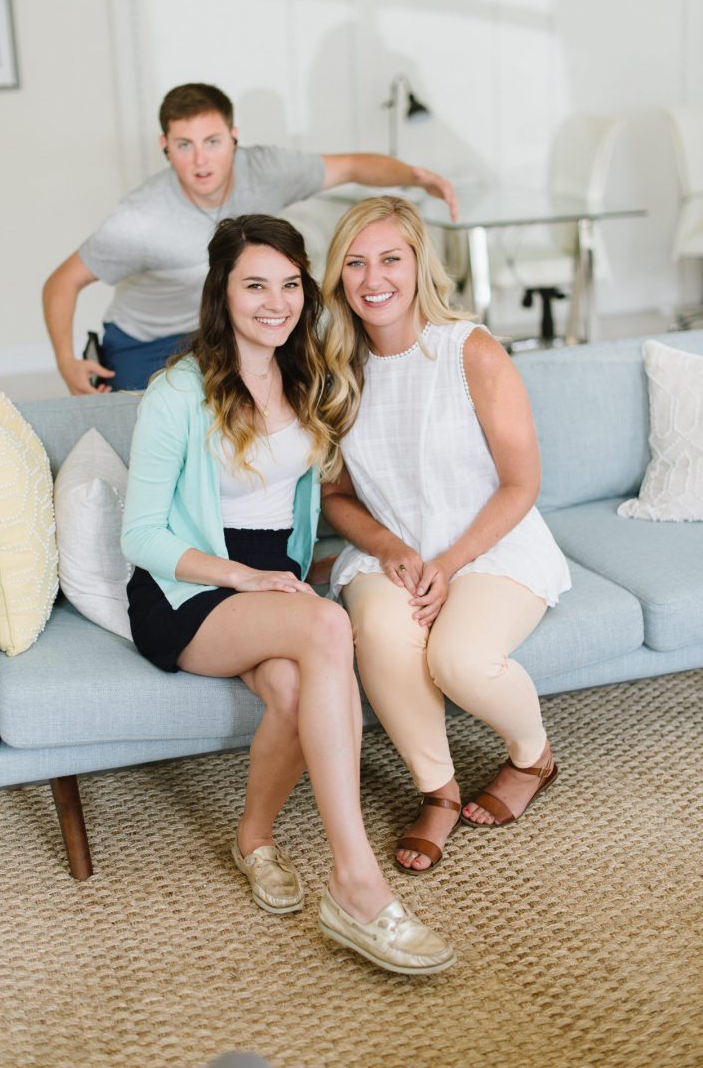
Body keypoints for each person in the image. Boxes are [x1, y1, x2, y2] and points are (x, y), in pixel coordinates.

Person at [120, 212, 456, 975]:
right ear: (221, 292)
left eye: (290, 285)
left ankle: (254, 840)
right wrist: (246, 577)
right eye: (254, 285)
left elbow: (328, 492)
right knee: (330, 631)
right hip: (189, 587)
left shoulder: (309, 376)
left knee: (299, 690)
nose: (276, 302)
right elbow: (138, 536)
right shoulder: (178, 392)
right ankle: (357, 883)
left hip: (273, 579)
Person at [319, 196, 571, 875]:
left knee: (457, 658)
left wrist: (449, 563)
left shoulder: (472, 352)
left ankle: (532, 757)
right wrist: (395, 551)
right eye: (356, 262)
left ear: (418, 264)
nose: (375, 278)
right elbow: (336, 497)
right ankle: (439, 791)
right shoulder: (336, 373)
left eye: (391, 259)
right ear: (338, 277)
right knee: (384, 635)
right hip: (391, 551)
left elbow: (522, 482)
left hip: (491, 545)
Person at [43, 82, 458, 395]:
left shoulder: (265, 170)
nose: (200, 160)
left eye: (212, 142)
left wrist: (417, 176)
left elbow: (349, 165)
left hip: (227, 325)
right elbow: (62, 282)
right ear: (165, 146)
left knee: (295, 389)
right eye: (184, 145)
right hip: (149, 341)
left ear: (234, 136)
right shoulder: (140, 219)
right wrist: (65, 361)